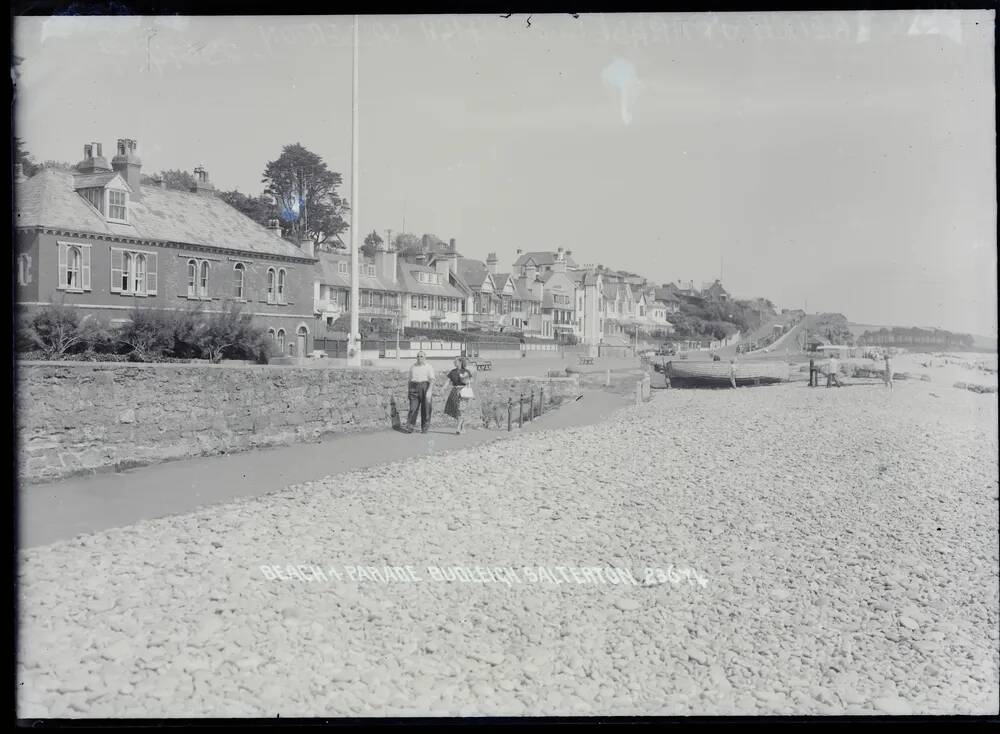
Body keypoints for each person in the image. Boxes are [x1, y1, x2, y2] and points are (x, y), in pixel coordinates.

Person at [404, 351, 435, 433]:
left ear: (425, 357)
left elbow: (432, 380)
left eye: (421, 356)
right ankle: (410, 427)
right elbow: (409, 380)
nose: (419, 358)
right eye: (418, 356)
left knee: (426, 409)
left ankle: (424, 428)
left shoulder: (429, 367)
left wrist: (429, 391)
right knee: (412, 408)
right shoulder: (413, 367)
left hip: (425, 387)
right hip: (414, 387)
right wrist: (408, 391)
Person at [444, 357, 474, 434]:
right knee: (457, 410)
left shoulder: (466, 371)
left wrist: (465, 378)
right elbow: (448, 381)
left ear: (460, 362)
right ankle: (462, 427)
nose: (454, 362)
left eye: (456, 361)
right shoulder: (452, 372)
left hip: (464, 391)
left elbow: (471, 381)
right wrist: (443, 387)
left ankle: (458, 427)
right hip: (455, 391)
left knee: (461, 410)